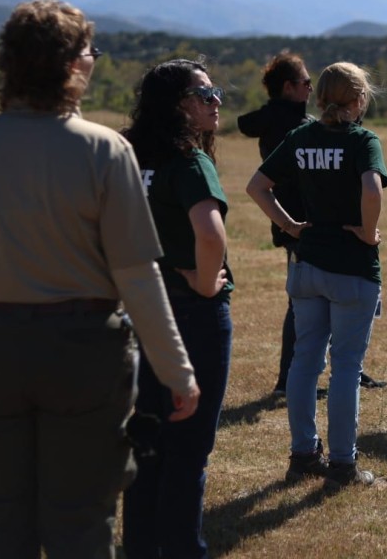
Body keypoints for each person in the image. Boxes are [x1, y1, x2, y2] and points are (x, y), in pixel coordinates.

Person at [0, 0, 199, 559]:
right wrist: (176, 371)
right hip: (82, 353)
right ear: (73, 65)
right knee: (79, 521)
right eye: (89, 51)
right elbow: (137, 275)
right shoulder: (104, 150)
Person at [246, 62, 387, 490]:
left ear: (321, 96)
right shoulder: (362, 140)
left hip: (306, 265)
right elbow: (371, 189)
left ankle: (303, 455)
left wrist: (289, 225)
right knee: (346, 367)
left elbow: (257, 186)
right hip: (352, 269)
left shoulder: (302, 135)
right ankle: (343, 463)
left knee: (305, 362)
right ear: (359, 99)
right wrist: (368, 232)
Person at [121, 58, 236, 559]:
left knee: (147, 439)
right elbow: (210, 235)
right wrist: (205, 284)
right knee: (188, 448)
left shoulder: (126, 155)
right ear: (177, 106)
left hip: (139, 310)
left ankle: (139, 547)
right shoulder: (188, 161)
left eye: (216, 93)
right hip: (192, 314)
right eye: (204, 94)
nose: (216, 102)